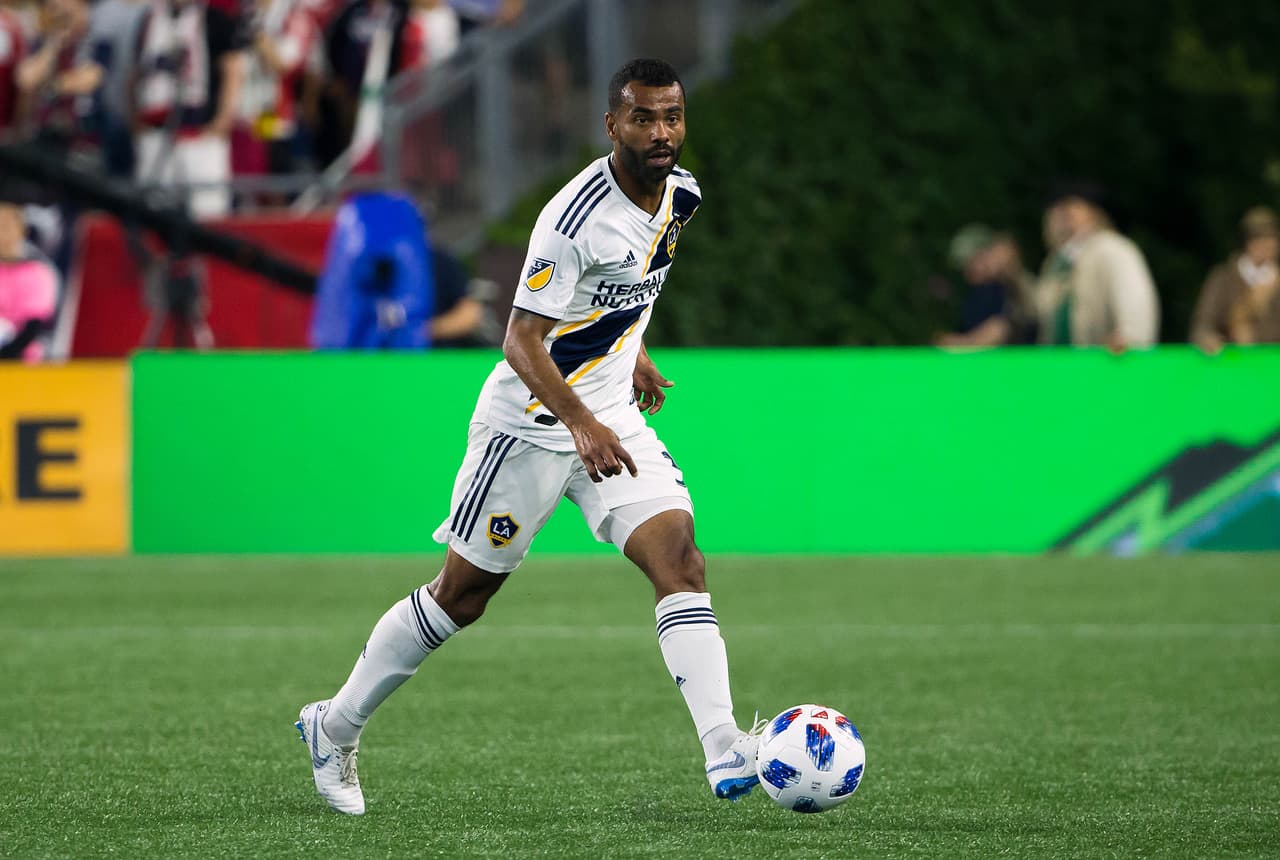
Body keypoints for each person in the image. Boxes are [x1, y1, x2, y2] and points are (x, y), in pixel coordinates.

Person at [296, 58, 763, 815]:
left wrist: (633, 352)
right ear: (611, 125)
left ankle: (723, 747)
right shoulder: (573, 219)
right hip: (530, 425)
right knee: (461, 597)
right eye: (642, 117)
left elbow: (626, 289)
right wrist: (579, 422)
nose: (661, 132)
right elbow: (520, 338)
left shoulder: (683, 195)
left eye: (672, 116)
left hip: (611, 418)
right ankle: (335, 725)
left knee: (681, 560)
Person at [1034, 185, 1160, 350]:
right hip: (1061, 360)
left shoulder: (1112, 248)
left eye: (1072, 207)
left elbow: (1134, 296)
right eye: (1057, 210)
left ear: (1093, 214)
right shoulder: (1054, 263)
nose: (1063, 215)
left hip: (1106, 359)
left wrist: (1132, 338)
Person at [1189, 206, 1280, 352]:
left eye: (1271, 238)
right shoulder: (1223, 278)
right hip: (1231, 361)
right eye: (1257, 238)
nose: (1265, 245)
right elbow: (1202, 324)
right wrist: (1209, 339)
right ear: (1246, 242)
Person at [935, 223, 1038, 347]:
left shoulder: (1011, 286)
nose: (968, 272)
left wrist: (964, 343)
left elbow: (1001, 328)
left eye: (972, 262)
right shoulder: (977, 293)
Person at [0, 185, 59, 361]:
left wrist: (6, 356)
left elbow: (34, 326)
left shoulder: (38, 273)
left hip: (20, 362)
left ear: (21, 230)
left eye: (6, 226)